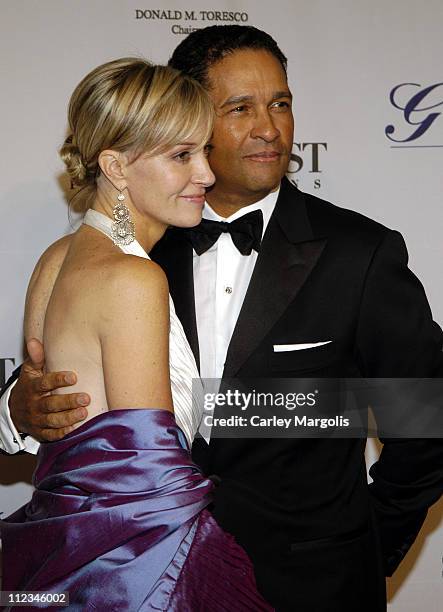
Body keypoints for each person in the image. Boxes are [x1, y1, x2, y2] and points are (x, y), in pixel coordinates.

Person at [1, 25, 442, 612]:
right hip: (145, 578)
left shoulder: (358, 254)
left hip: (312, 587)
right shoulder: (133, 244)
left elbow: (424, 419)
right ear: (188, 117)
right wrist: (16, 409)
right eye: (239, 108)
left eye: (281, 104)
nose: (269, 127)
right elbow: (54, 374)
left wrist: (363, 551)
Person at [0, 57, 273, 611]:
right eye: (181, 156)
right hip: (133, 571)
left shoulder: (57, 259)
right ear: (116, 166)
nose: (207, 174)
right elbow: (150, 474)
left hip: (64, 553)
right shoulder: (133, 278)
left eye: (203, 151)